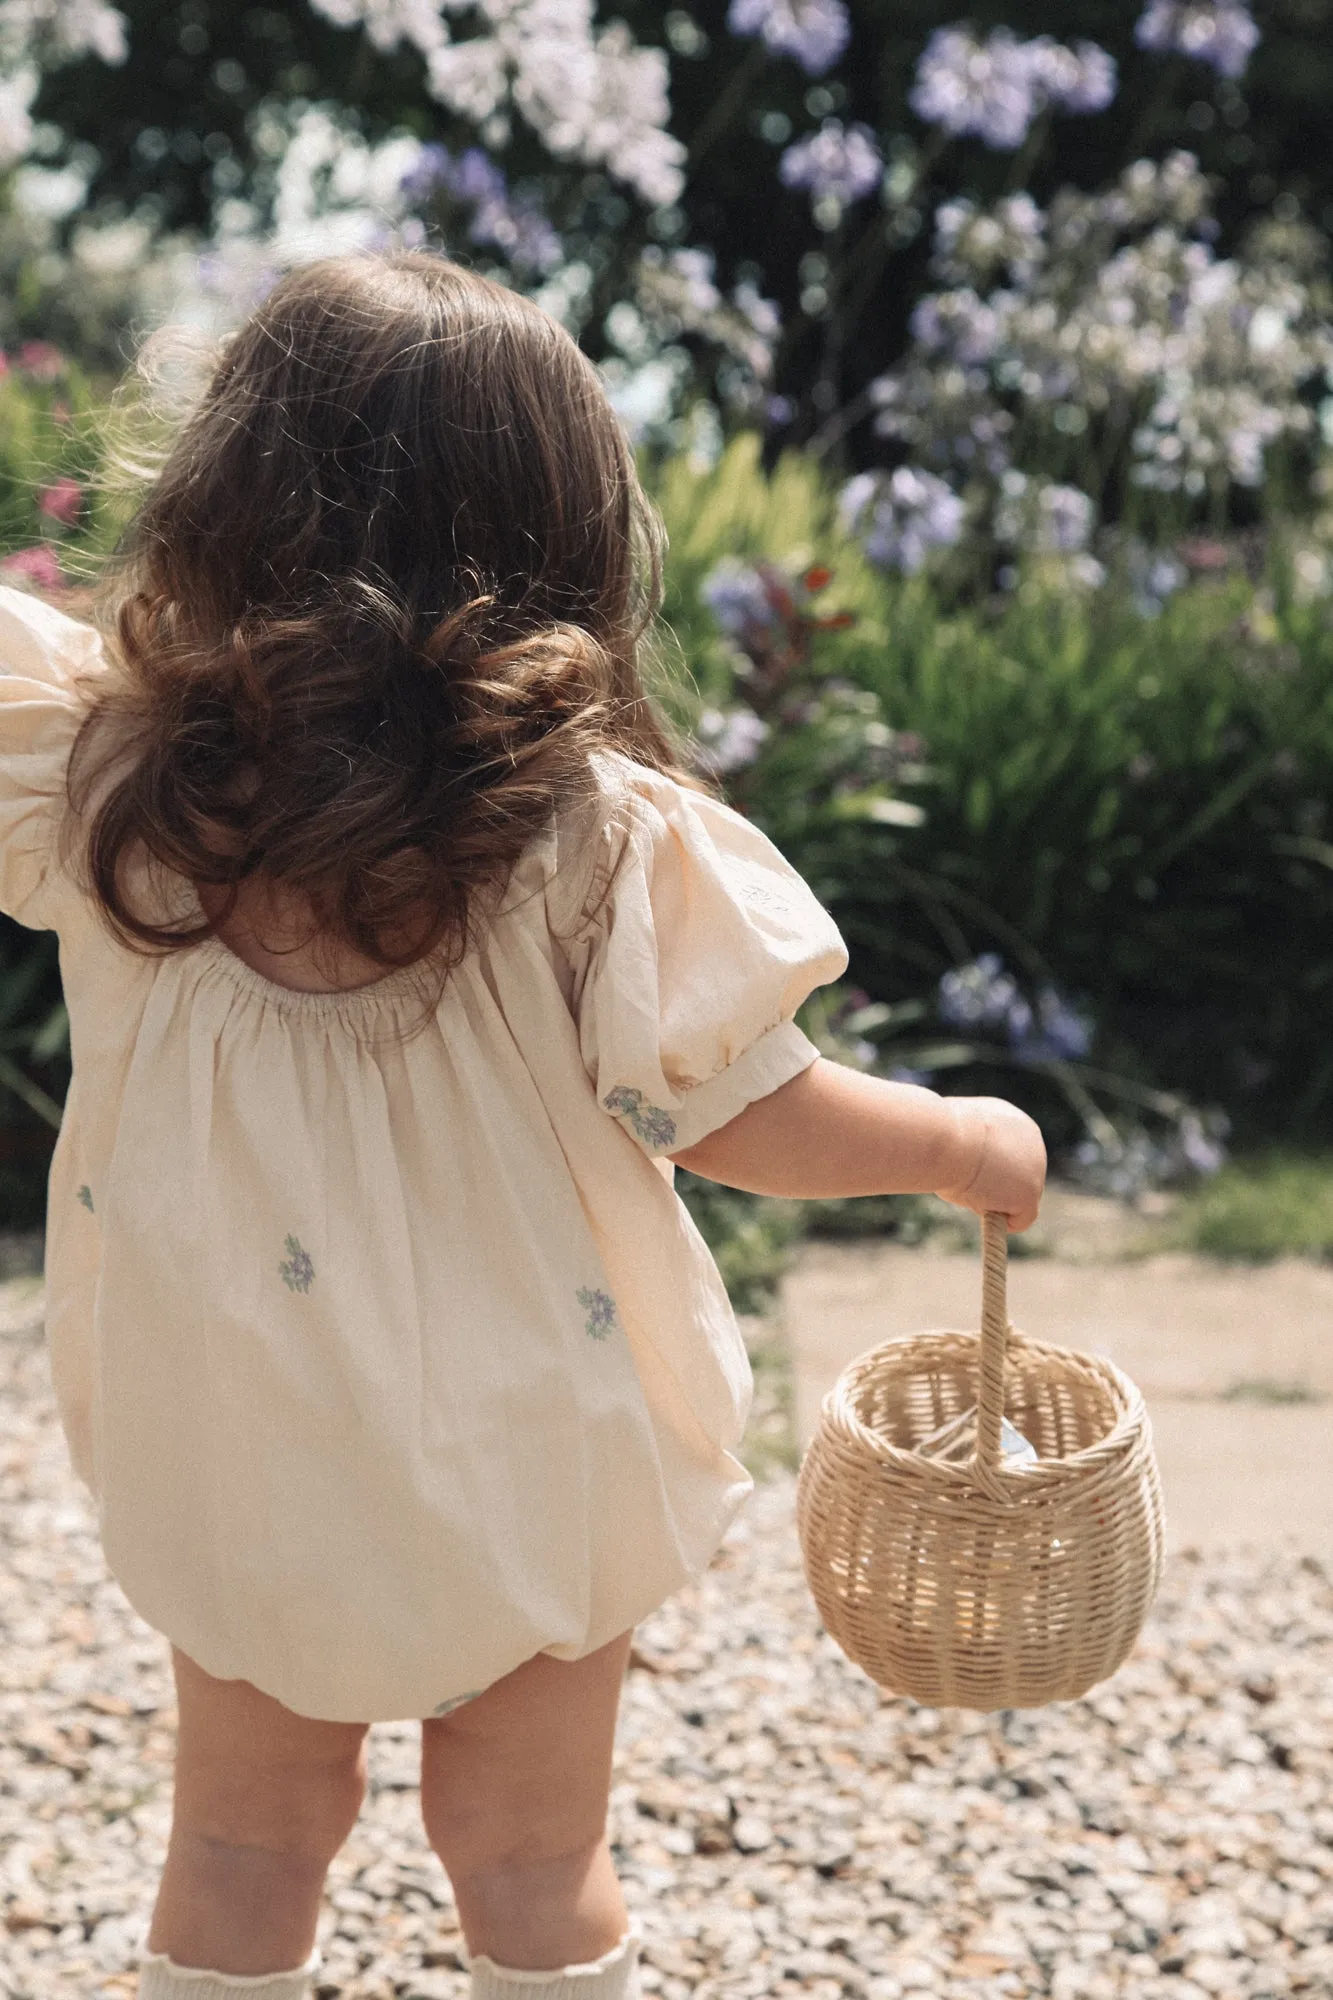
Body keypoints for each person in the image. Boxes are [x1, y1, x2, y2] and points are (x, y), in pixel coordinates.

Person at [0, 253, 1046, 2000]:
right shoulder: (589, 845)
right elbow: (747, 1115)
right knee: (535, 1857)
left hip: (233, 1437)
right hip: (533, 1449)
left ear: (223, 504)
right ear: (556, 538)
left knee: (244, 1843)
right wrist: (953, 1143)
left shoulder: (118, 787)